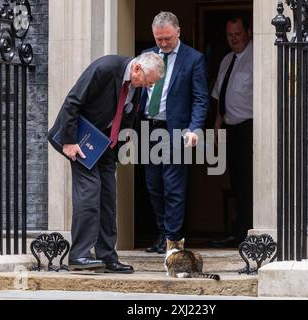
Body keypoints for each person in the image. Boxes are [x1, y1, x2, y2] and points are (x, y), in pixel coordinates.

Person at [48, 52, 164, 272]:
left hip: (106, 147)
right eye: (149, 81)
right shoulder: (105, 68)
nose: (149, 86)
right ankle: (79, 255)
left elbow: (128, 114)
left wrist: (118, 145)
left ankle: (108, 256)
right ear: (137, 68)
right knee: (90, 193)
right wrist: (70, 141)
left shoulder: (136, 87)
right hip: (82, 141)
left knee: (108, 199)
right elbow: (72, 101)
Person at [141, 11, 209, 254]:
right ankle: (162, 233)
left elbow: (201, 99)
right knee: (153, 185)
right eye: (159, 39)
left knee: (173, 187)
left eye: (167, 38)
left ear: (178, 32)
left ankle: (173, 239)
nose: (163, 44)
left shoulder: (194, 59)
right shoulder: (146, 56)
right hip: (149, 129)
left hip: (176, 131)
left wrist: (194, 129)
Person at [210, 17, 253, 248]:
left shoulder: (257, 56)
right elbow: (219, 96)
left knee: (248, 182)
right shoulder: (227, 60)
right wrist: (217, 127)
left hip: (250, 128)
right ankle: (238, 230)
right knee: (236, 181)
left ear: (248, 31)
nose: (234, 39)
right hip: (230, 128)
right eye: (229, 35)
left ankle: (248, 232)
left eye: (237, 34)